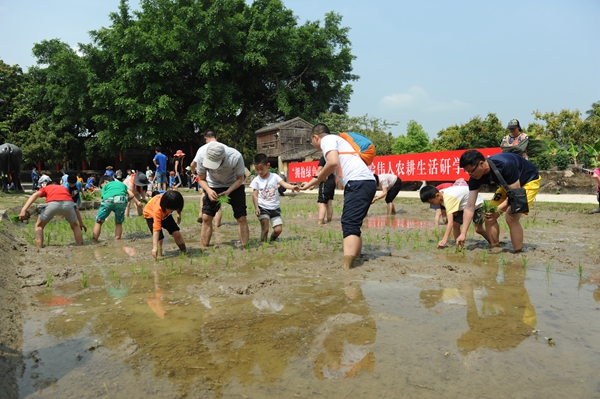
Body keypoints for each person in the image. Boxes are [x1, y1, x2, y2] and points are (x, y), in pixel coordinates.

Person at [299, 123, 377, 269]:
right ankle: (357, 257)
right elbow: (323, 174)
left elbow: (333, 163)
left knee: (349, 223)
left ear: (316, 137)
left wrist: (318, 177)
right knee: (353, 223)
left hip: (358, 182)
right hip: (363, 182)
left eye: (312, 142)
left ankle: (347, 267)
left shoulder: (327, 140)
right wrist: (307, 185)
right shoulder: (337, 143)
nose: (314, 145)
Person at [457, 150, 541, 253]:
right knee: (488, 216)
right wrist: (463, 233)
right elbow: (470, 206)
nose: (470, 174)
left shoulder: (505, 165)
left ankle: (518, 252)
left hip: (528, 182)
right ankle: (495, 247)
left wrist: (498, 210)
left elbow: (515, 195)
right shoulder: (474, 177)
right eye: (467, 171)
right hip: (507, 185)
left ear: (481, 164)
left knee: (511, 217)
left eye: (471, 171)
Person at [195, 141, 248, 248]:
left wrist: (229, 191)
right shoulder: (201, 156)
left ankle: (244, 246)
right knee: (206, 217)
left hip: (234, 185)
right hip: (212, 185)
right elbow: (201, 179)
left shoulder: (235, 157)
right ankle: (204, 246)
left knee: (241, 217)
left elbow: (240, 178)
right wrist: (209, 190)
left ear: (223, 158)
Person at [18, 182, 87, 248]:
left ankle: (39, 248)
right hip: (69, 204)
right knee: (75, 226)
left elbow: (35, 195)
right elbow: (75, 209)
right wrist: (81, 223)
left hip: (52, 204)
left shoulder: (46, 187)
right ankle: (80, 246)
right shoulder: (64, 188)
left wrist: (23, 209)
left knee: (39, 226)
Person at [420, 185, 490, 248]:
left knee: (478, 229)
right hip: (463, 204)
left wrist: (444, 240)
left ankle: (493, 242)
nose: (432, 204)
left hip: (477, 203)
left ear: (437, 195)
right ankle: (459, 247)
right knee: (456, 224)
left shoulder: (449, 199)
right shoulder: (442, 195)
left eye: (431, 202)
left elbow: (450, 223)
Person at [250, 153, 299, 242]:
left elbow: (284, 184)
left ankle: (271, 241)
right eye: (257, 170)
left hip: (275, 208)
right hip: (262, 207)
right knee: (265, 229)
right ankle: (263, 245)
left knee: (278, 230)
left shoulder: (275, 177)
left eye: (261, 169)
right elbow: (255, 195)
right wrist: (256, 207)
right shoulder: (256, 180)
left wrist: (293, 187)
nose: (259, 172)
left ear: (268, 165)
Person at [92, 175, 141, 242]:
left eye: (101, 186)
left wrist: (110, 207)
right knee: (118, 222)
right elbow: (132, 195)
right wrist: (125, 201)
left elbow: (103, 199)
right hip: (122, 200)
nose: (101, 188)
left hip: (108, 200)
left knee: (98, 221)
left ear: (105, 182)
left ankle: (94, 241)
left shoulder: (106, 186)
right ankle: (117, 240)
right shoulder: (122, 184)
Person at [191, 129, 223, 225]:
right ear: (215, 137)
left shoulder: (202, 149)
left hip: (207, 177)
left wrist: (194, 172)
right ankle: (217, 224)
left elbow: (193, 164)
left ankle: (201, 213)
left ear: (206, 138)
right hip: (221, 178)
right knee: (218, 202)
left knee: (205, 195)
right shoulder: (222, 147)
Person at [143, 190, 186, 259]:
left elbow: (178, 207)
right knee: (160, 239)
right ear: (165, 205)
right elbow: (156, 229)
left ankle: (184, 252)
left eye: (173, 210)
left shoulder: (172, 200)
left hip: (165, 215)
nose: (172, 211)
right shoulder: (158, 210)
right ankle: (159, 258)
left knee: (177, 233)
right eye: (171, 209)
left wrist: (178, 214)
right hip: (150, 215)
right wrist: (154, 247)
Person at [316, 156, 336, 224]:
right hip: (332, 181)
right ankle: (329, 221)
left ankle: (320, 222)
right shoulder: (333, 157)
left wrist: (313, 182)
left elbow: (319, 170)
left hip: (325, 182)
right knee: (329, 203)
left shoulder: (324, 157)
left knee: (322, 203)